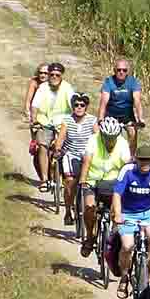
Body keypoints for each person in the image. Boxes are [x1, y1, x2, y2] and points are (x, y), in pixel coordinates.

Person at [112, 143, 150, 298]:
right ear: (136, 160)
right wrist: (118, 214)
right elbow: (117, 194)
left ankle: (149, 269)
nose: (145, 164)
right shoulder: (127, 170)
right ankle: (125, 276)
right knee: (127, 246)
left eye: (148, 161)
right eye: (142, 160)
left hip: (149, 212)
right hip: (128, 212)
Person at [77, 117, 130, 256]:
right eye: (107, 137)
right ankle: (90, 237)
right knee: (89, 207)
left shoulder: (123, 144)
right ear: (102, 134)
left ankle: (113, 237)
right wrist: (83, 180)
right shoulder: (93, 140)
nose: (110, 140)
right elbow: (86, 161)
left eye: (113, 137)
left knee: (116, 211)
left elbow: (126, 167)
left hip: (113, 183)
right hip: (93, 181)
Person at [31, 62, 75, 191]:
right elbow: (35, 105)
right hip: (45, 122)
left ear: (61, 76)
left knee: (66, 148)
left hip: (62, 123)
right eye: (52, 74)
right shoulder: (43, 88)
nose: (54, 77)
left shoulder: (67, 88)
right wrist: (34, 120)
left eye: (57, 75)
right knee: (43, 146)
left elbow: (74, 103)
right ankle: (44, 179)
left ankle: (65, 176)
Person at [55, 93, 96, 226]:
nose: (79, 108)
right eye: (76, 105)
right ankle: (68, 210)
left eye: (82, 105)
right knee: (69, 181)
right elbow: (60, 138)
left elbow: (98, 137)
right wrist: (57, 149)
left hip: (87, 155)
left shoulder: (92, 120)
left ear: (86, 107)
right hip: (70, 154)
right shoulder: (67, 120)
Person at [97, 57, 144, 154]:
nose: (121, 72)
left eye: (124, 70)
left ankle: (131, 158)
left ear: (128, 71)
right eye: (118, 70)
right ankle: (108, 154)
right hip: (111, 114)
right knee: (108, 135)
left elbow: (137, 101)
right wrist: (100, 119)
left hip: (127, 115)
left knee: (133, 133)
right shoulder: (109, 82)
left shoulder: (133, 82)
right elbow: (103, 101)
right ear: (114, 70)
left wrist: (140, 118)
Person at [24, 63, 49, 181]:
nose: (43, 75)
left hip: (51, 118)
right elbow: (28, 100)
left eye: (45, 73)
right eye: (41, 73)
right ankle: (42, 176)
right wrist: (28, 114)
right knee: (38, 147)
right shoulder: (34, 83)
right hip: (37, 119)